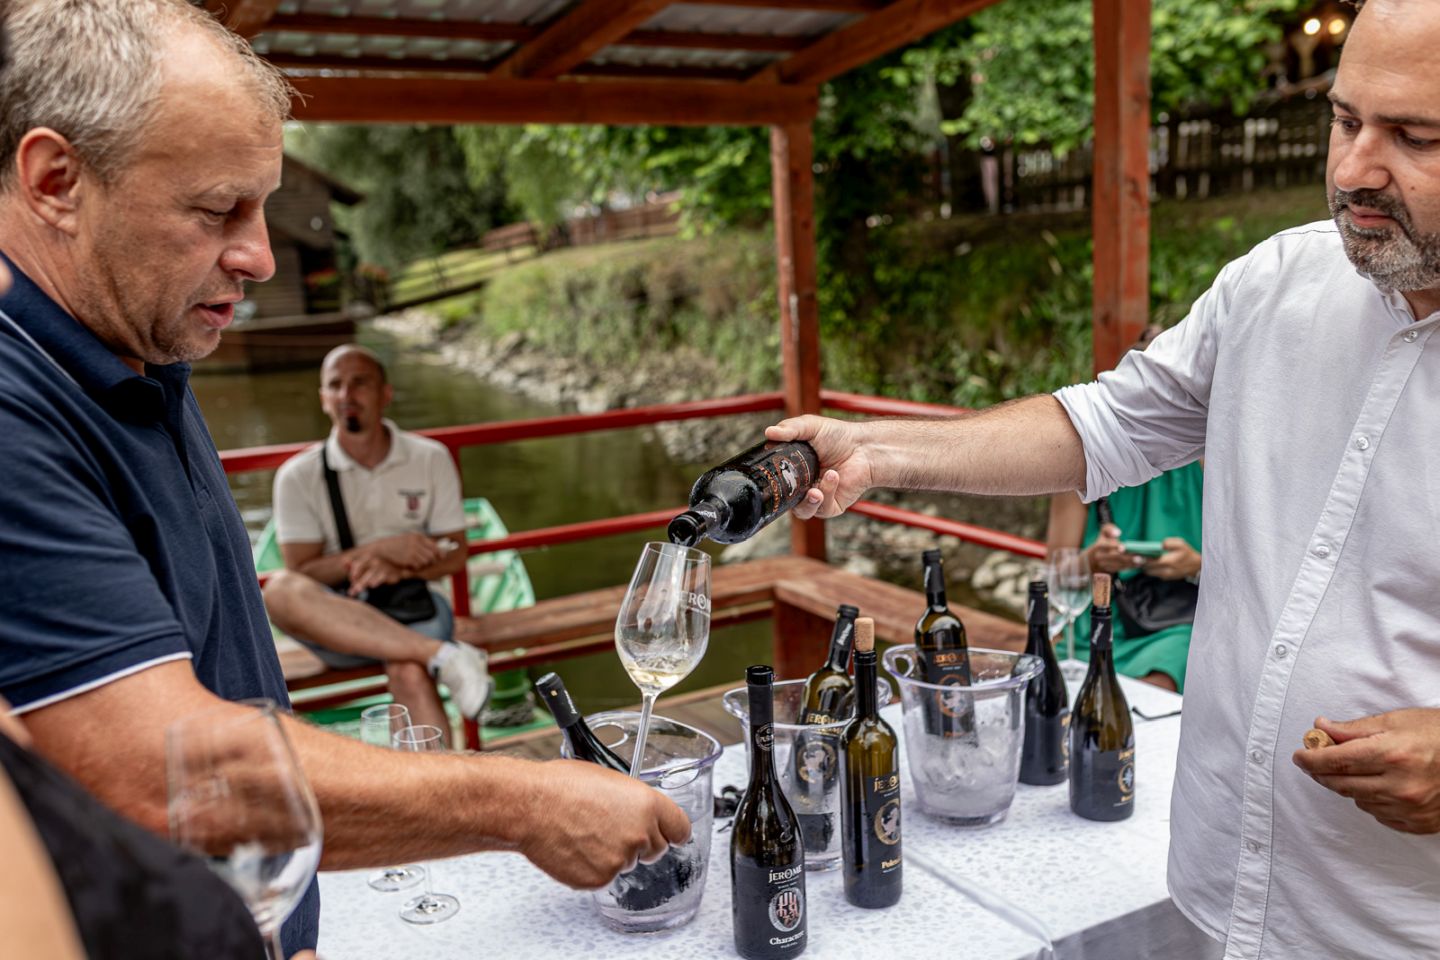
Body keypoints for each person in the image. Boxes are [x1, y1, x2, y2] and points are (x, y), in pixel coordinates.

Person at [0, 3, 687, 957]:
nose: (262, 255)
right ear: (55, 181)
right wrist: (524, 798)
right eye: (216, 210)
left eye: (265, 206)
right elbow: (155, 769)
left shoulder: (141, 341)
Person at [765, 1, 1440, 955]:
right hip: (1222, 891)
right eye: (1344, 120)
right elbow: (1107, 423)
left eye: (1413, 137)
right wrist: (881, 453)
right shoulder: (1273, 285)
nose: (1351, 171)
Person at [264, 345, 488, 744]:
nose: (347, 395)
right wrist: (380, 551)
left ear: (385, 394)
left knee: (408, 670)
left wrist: (401, 567)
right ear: (323, 399)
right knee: (278, 590)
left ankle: (439, 795)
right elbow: (303, 572)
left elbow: (456, 551)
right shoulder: (297, 476)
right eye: (335, 385)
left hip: (413, 605)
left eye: (359, 383)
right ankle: (444, 656)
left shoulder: (429, 458)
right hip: (339, 620)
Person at [1048, 324, 1203, 692]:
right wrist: (1093, 559)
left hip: (1178, 619)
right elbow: (1056, 571)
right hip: (1099, 613)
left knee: (1162, 679)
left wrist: (1194, 565)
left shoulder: (1207, 460)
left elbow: (1245, 566)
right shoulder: (1085, 463)